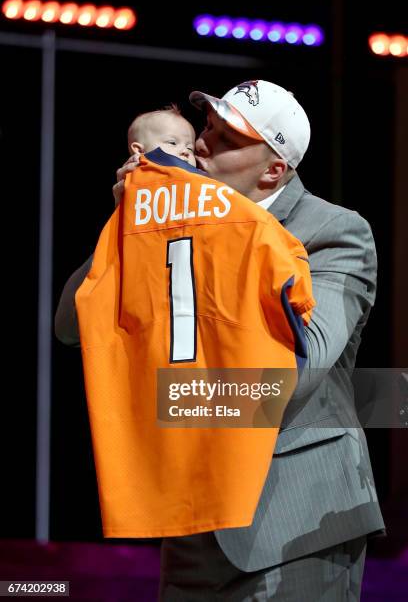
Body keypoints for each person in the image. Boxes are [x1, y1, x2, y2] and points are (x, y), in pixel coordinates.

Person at [55, 80, 386, 601]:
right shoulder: (170, 223)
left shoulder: (331, 231)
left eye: (226, 139)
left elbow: (294, 377)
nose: (201, 146)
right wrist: (125, 223)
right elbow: (71, 329)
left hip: (299, 520)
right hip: (194, 522)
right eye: (206, 128)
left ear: (273, 169)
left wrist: (173, 398)